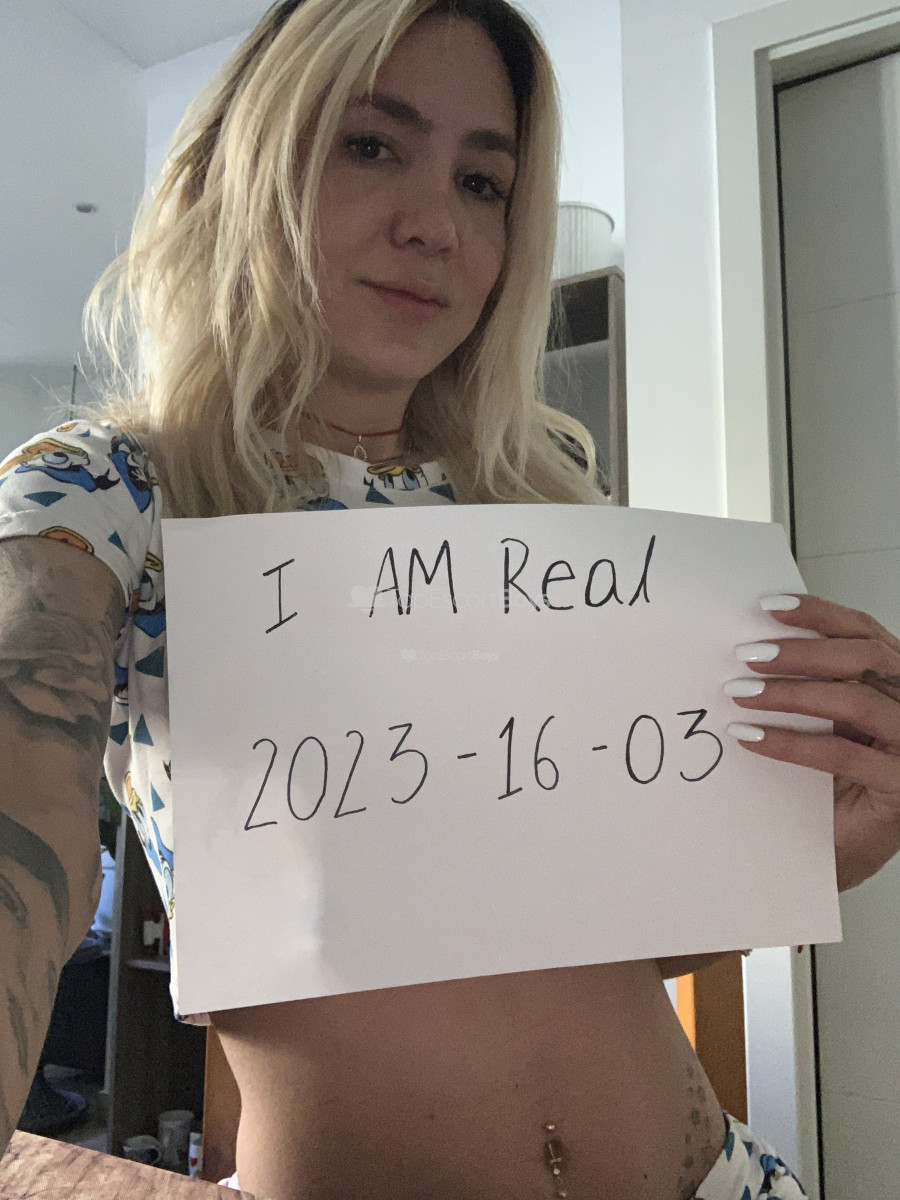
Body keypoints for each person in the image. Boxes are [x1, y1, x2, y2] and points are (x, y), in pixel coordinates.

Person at [2, 1, 900, 1196]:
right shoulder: (106, 495)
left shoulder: (550, 514)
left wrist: (803, 855)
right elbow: (22, 811)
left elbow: (586, 956)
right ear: (242, 166)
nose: (435, 226)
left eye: (484, 183)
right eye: (372, 145)